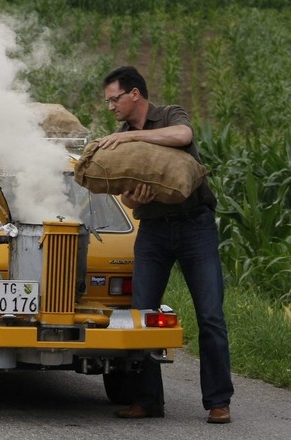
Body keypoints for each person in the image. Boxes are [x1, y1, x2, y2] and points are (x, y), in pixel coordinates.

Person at [96, 66, 234, 424]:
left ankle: (218, 401)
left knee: (210, 316)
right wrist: (133, 196)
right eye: (109, 101)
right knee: (141, 316)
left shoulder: (168, 115)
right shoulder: (118, 137)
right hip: (153, 231)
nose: (111, 106)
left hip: (195, 228)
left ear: (135, 94)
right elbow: (126, 200)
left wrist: (132, 140)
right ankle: (147, 400)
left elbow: (184, 134)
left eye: (114, 99)